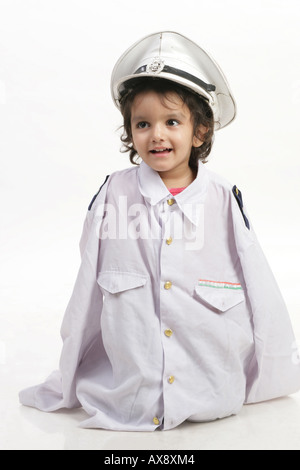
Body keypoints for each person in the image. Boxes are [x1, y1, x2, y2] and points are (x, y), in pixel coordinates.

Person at [19, 31, 300, 431]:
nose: (157, 134)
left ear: (199, 131)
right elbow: (86, 285)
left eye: (172, 121)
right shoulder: (114, 193)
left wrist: (273, 370)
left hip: (209, 387)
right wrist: (70, 367)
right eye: (143, 123)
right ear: (130, 131)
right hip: (132, 392)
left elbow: (258, 282)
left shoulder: (222, 197)